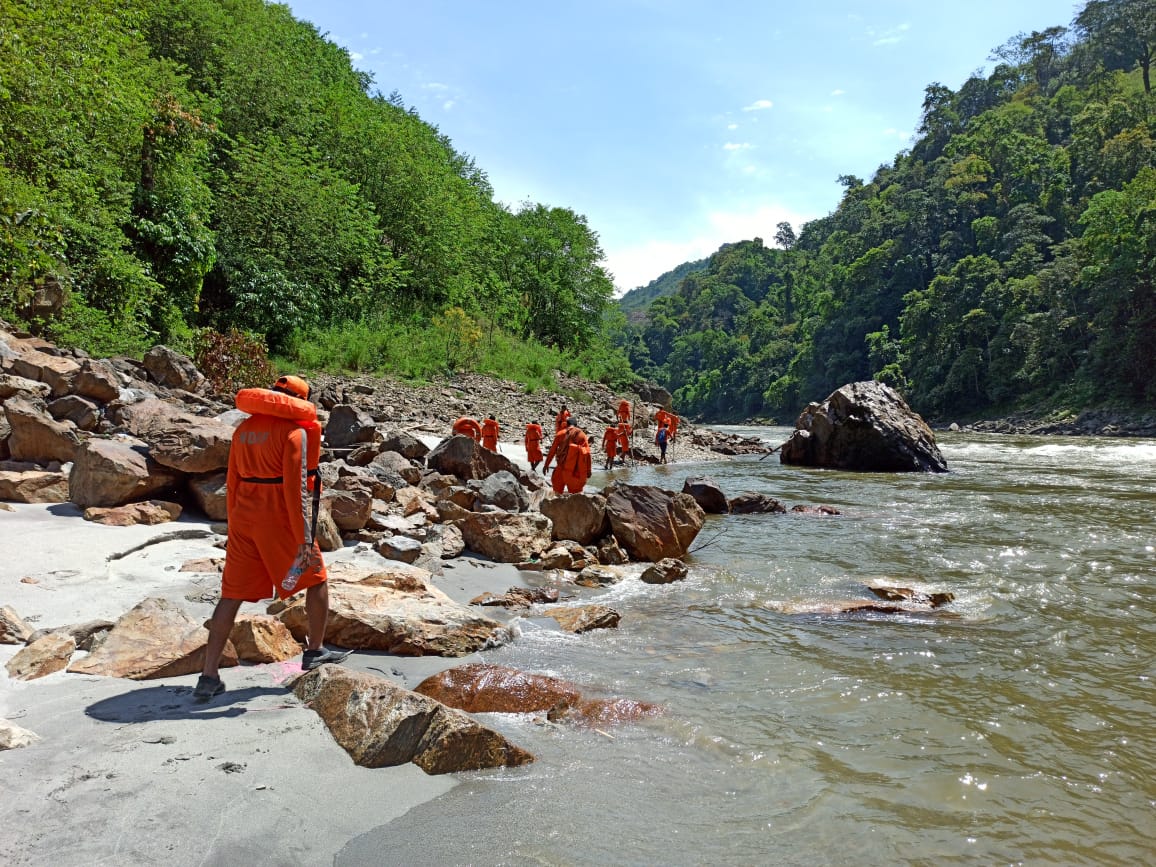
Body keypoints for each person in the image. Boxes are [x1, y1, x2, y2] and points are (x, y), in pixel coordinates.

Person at [195, 375, 350, 700]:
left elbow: (232, 483)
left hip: (244, 520)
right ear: (299, 400)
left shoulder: (243, 430)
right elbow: (296, 493)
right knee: (317, 579)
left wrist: (234, 529)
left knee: (231, 594)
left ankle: (208, 676)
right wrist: (304, 540)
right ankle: (315, 651)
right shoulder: (294, 433)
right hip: (278, 519)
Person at [543, 417, 592, 494]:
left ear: (567, 425)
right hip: (575, 471)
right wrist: (588, 470)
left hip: (561, 468)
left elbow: (552, 451)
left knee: (557, 494)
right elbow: (587, 453)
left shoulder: (560, 434)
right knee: (575, 497)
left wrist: (546, 465)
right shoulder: (581, 435)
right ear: (576, 425)